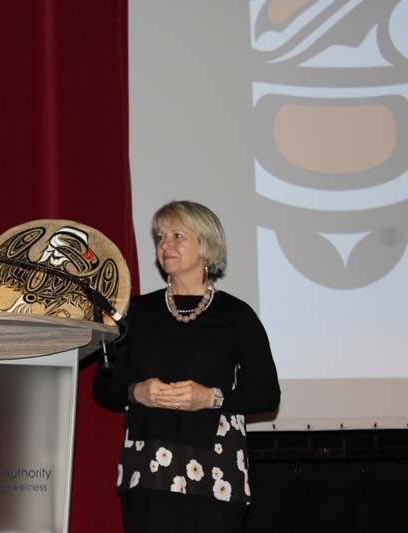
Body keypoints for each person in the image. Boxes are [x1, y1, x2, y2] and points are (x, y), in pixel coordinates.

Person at [93, 200, 280, 533]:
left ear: (205, 246)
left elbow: (266, 395)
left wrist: (211, 398)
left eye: (178, 235)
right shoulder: (135, 312)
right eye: (161, 237)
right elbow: (104, 387)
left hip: (215, 470)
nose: (166, 244)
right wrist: (136, 392)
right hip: (148, 469)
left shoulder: (236, 316)